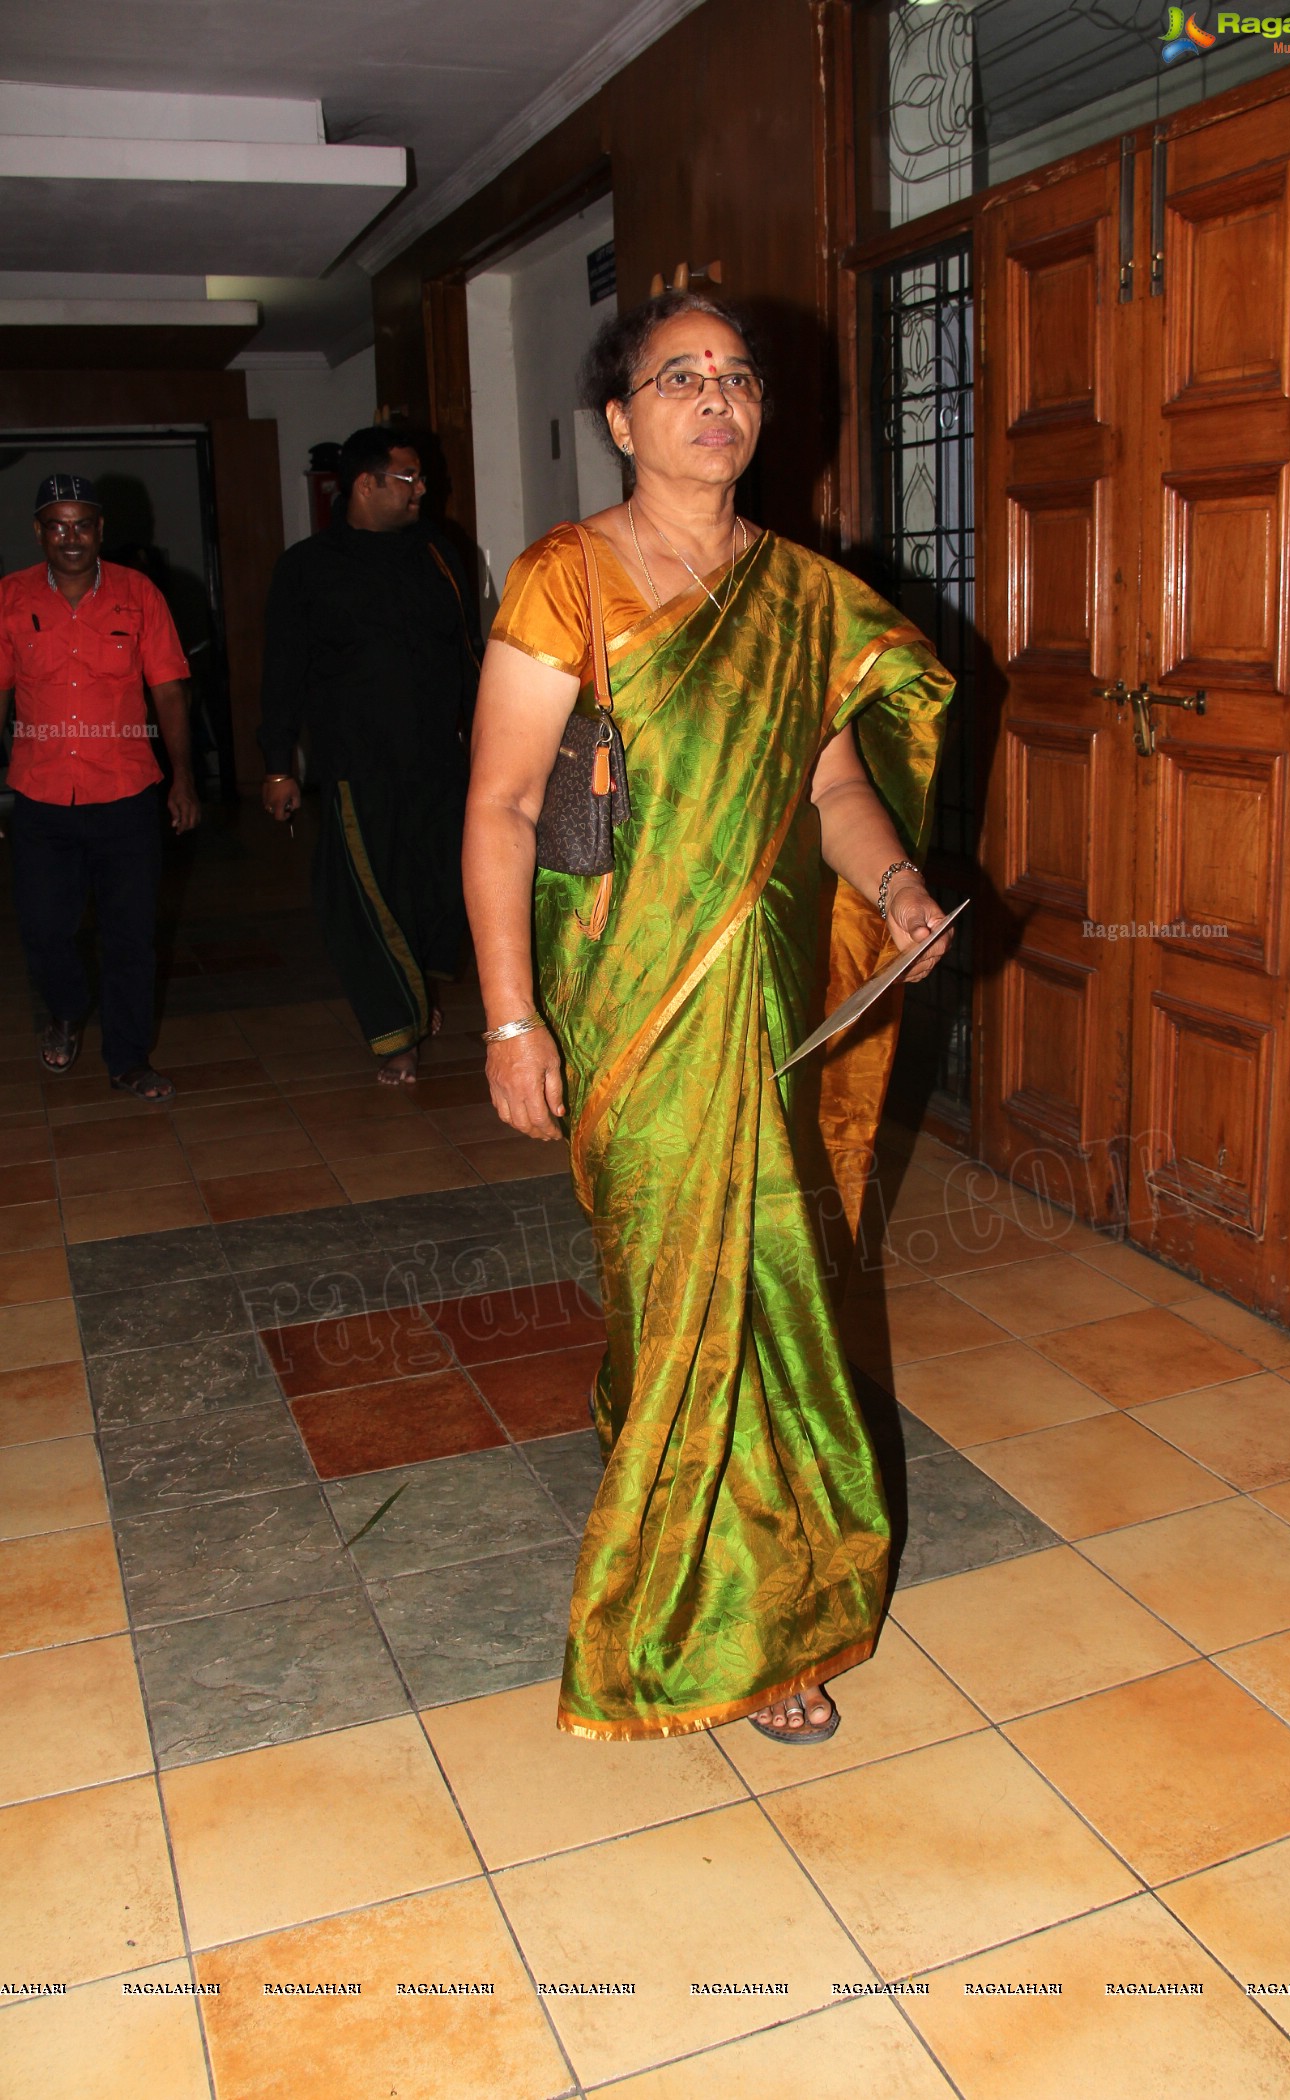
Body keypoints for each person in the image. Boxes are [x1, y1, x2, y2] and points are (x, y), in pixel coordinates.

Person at [462, 293, 954, 1744]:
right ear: (620, 418)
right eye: (680, 376)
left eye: (736, 376)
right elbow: (497, 805)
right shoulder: (569, 581)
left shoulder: (804, 597)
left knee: (768, 1291)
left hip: (769, 1000)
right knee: (681, 1282)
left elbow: (834, 787)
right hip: (632, 1001)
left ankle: (761, 1623)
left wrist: (903, 885)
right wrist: (508, 1021)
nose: (716, 396)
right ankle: (696, 1553)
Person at [258, 427, 480, 1083]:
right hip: (358, 765)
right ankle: (395, 1035)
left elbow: (465, 655)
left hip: (440, 760)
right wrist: (277, 765)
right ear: (366, 484)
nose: (423, 491)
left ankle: (415, 992)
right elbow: (282, 673)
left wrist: (492, 738)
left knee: (436, 886)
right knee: (364, 894)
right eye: (409, 478)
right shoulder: (307, 567)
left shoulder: (439, 551)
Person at [0, 472, 200, 1101]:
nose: (70, 537)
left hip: (126, 794)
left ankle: (128, 1058)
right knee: (43, 927)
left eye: (81, 524)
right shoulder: (10, 598)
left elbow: (168, 688)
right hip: (39, 792)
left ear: (100, 530)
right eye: (57, 525)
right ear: (39, 532)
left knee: (130, 935)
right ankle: (65, 1008)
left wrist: (184, 778)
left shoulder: (139, 595)